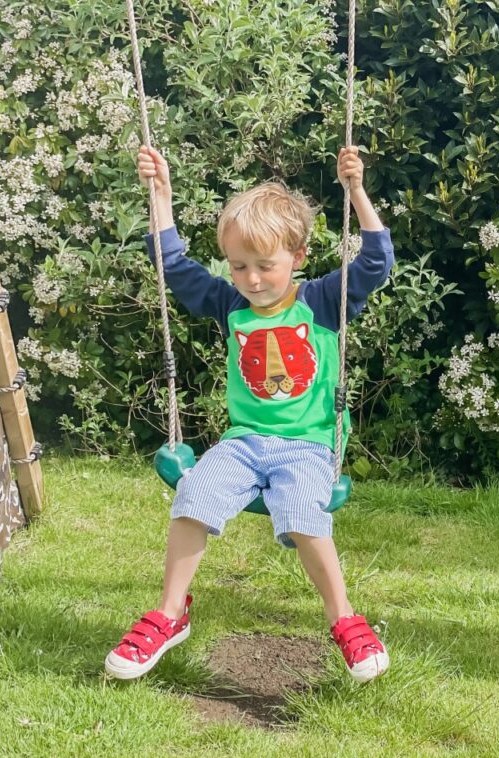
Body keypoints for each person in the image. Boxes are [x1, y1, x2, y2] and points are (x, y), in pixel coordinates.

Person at [104, 144, 393, 683]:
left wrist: (356, 192)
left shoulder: (323, 301)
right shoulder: (230, 305)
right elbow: (174, 266)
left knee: (306, 516)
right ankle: (169, 614)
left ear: (298, 256)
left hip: (308, 446)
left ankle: (345, 619)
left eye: (266, 266)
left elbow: (377, 261)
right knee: (192, 496)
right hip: (242, 443)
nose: (252, 280)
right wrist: (161, 196)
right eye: (239, 266)